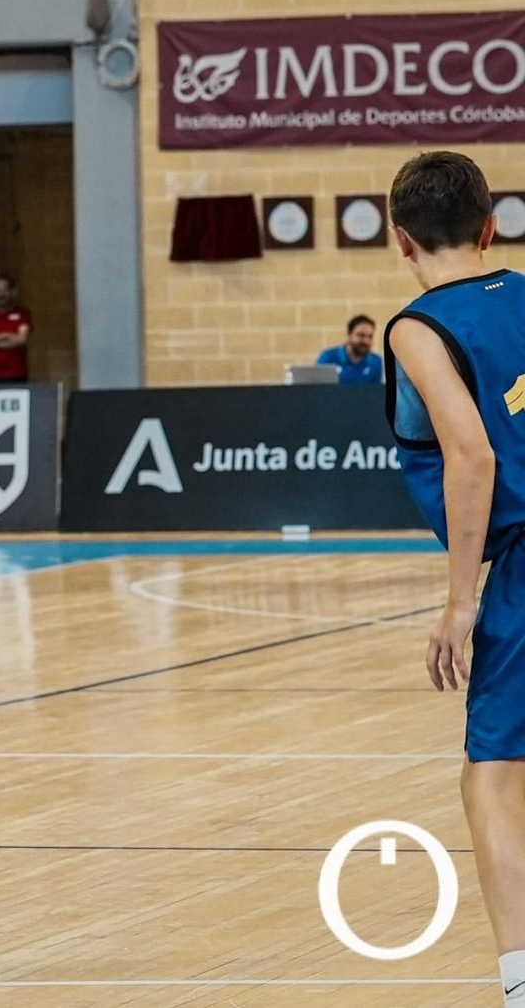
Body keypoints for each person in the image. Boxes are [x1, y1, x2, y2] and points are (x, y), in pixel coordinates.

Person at [380, 150, 525, 1008]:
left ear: (401, 240)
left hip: (518, 563)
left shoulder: (417, 328)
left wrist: (459, 599)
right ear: (490, 225)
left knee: (494, 770)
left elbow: (470, 455)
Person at [317, 314, 382, 385]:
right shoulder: (328, 357)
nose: (365, 341)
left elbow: (375, 392)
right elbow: (320, 389)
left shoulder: (376, 361)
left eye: (370, 336)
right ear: (349, 334)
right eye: (360, 335)